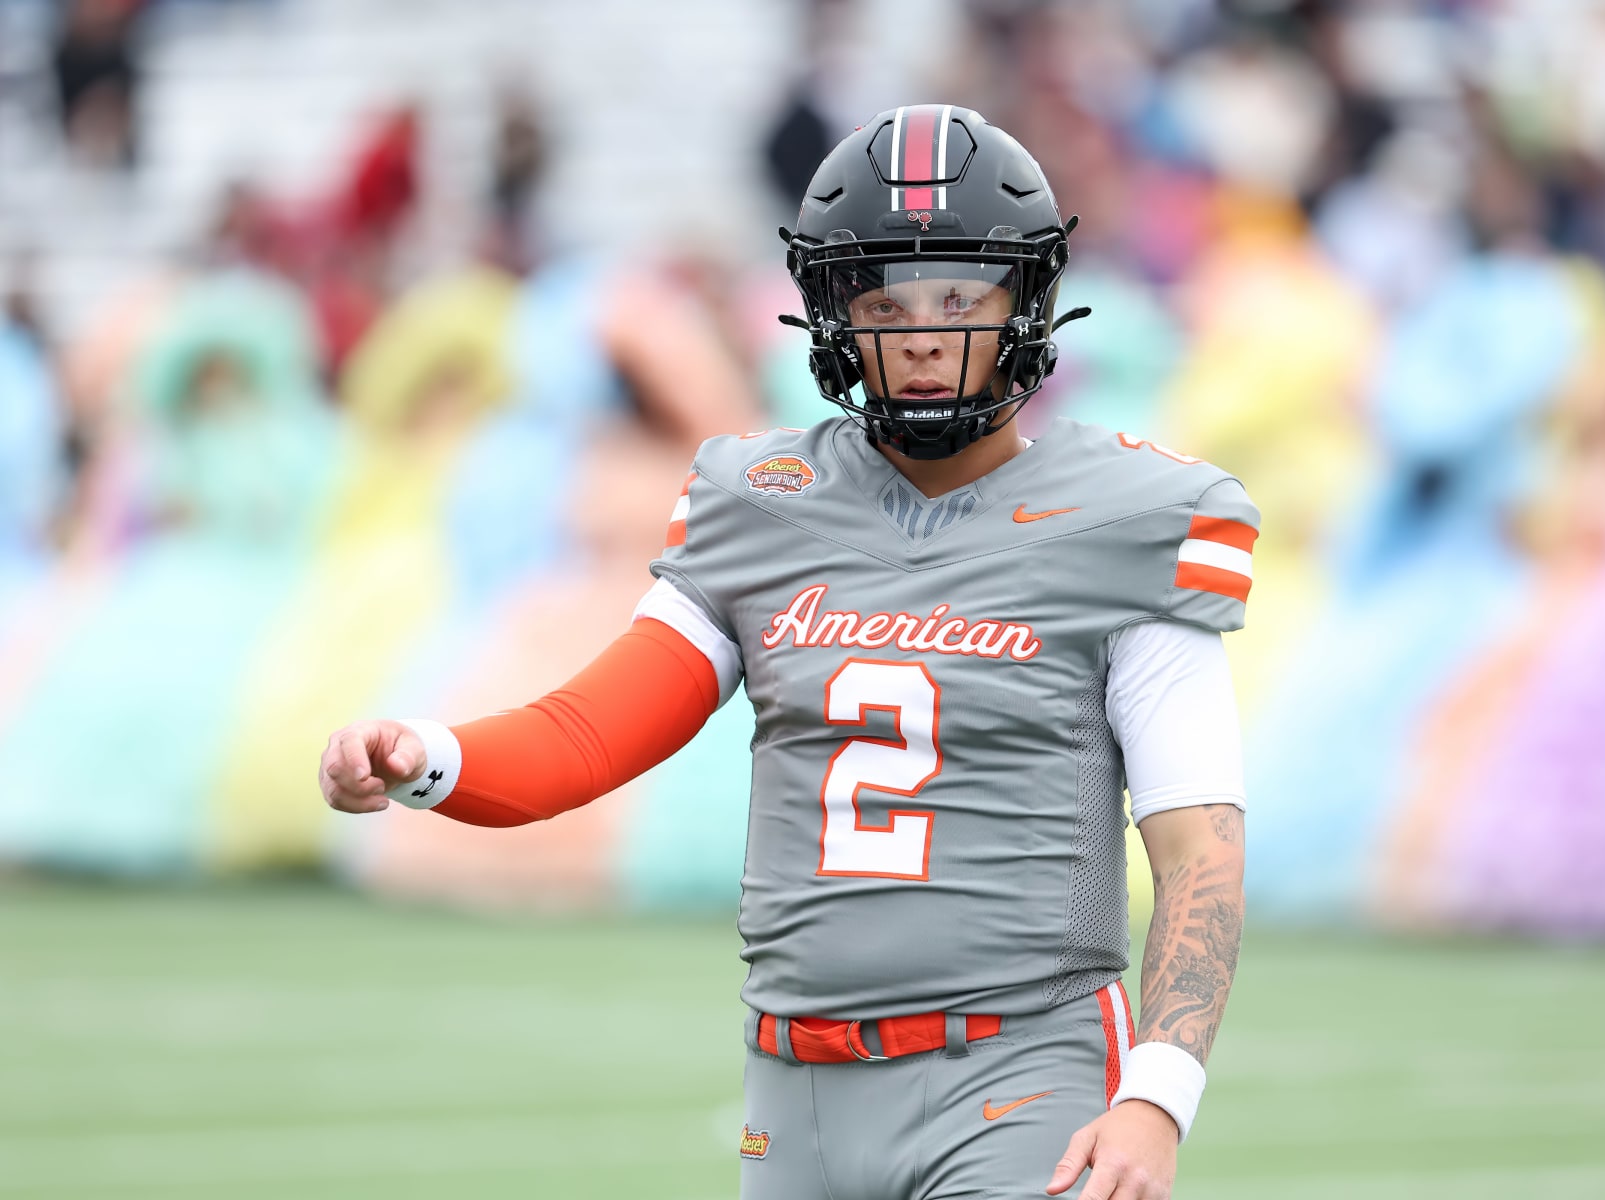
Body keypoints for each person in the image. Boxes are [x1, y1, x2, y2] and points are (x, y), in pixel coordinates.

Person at [319, 105, 1256, 1200]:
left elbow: (1201, 849)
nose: (921, 334)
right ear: (829, 312)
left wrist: (1155, 1096)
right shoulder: (765, 505)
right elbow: (589, 734)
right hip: (794, 1085)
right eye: (883, 297)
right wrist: (426, 755)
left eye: (958, 294)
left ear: (1026, 299)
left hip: (1021, 1074)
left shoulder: (1126, 519)